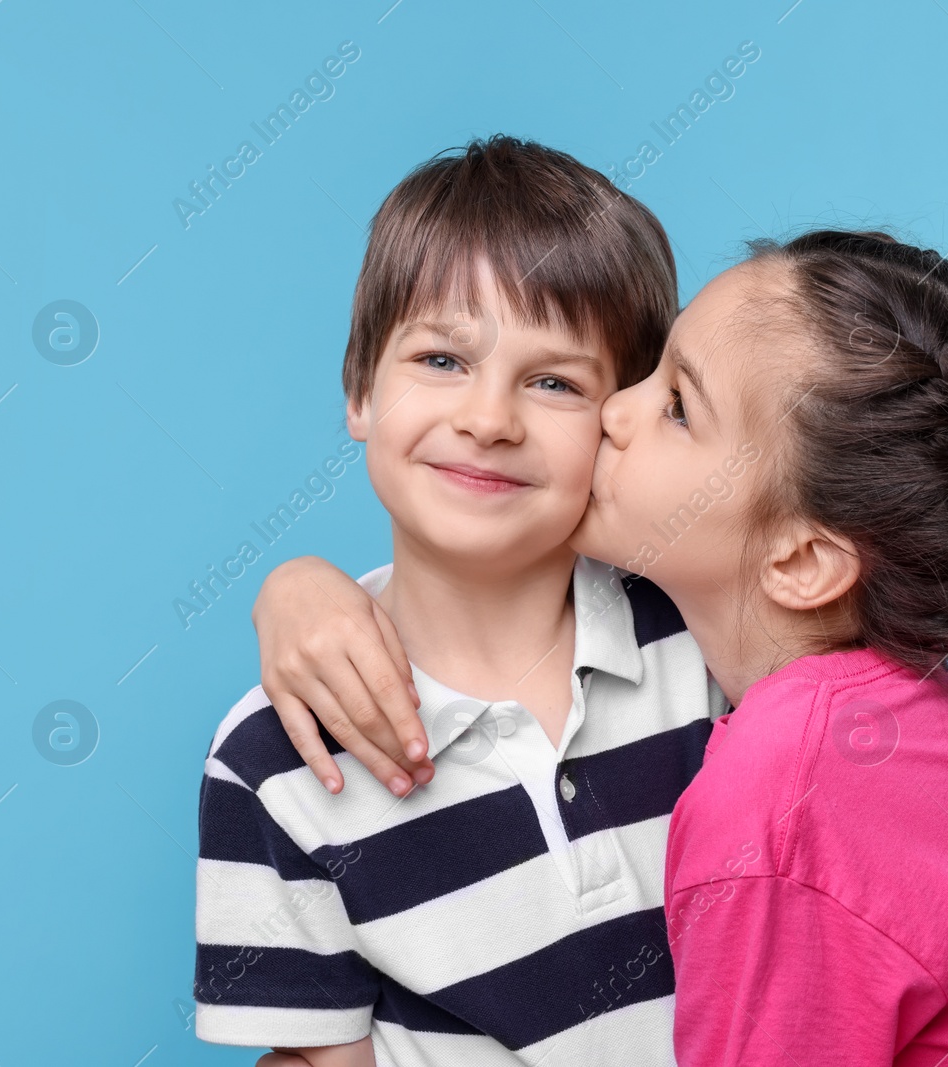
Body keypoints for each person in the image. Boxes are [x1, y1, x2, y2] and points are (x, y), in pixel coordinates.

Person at [253, 231, 948, 1065]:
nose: (614, 412)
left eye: (677, 406)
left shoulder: (786, 789)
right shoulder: (870, 710)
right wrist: (296, 590)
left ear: (800, 559)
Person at [194, 135, 726, 1067]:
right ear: (360, 388)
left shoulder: (701, 638)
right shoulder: (274, 759)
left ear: (621, 423)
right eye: (442, 360)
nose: (488, 419)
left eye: (554, 381)